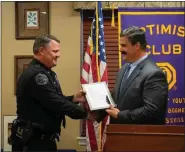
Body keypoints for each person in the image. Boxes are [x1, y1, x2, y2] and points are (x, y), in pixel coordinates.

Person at [10, 34, 88, 152]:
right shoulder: (37, 75)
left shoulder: (45, 72)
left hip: (42, 141)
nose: (59, 55)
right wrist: (87, 114)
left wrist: (74, 99)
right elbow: (56, 103)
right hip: (34, 144)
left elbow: (51, 101)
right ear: (41, 51)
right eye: (55, 51)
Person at [96, 26, 168, 125]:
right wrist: (95, 111)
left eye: (124, 45)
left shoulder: (154, 74)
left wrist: (120, 115)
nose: (120, 49)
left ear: (137, 46)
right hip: (119, 134)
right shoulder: (124, 69)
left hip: (140, 136)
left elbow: (151, 110)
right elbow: (115, 99)